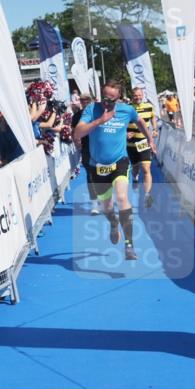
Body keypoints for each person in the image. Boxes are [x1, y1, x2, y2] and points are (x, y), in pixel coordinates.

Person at [74, 80, 156, 261]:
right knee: (108, 207)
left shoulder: (126, 110)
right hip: (98, 166)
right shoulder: (91, 110)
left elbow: (141, 121)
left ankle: (129, 245)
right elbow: (78, 133)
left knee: (121, 197)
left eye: (111, 98)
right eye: (104, 97)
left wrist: (149, 138)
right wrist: (99, 121)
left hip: (119, 161)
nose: (107, 101)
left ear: (118, 97)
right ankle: (113, 223)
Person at [127, 85, 158, 208]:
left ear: (143, 95)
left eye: (139, 95)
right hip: (131, 144)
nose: (138, 97)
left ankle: (147, 195)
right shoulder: (127, 108)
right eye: (135, 95)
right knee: (135, 168)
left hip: (144, 142)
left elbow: (152, 118)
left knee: (146, 168)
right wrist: (125, 132)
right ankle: (135, 178)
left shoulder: (149, 107)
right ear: (132, 96)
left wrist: (155, 129)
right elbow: (121, 122)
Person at [70, 93, 100, 215]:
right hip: (87, 148)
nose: (84, 102)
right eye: (82, 100)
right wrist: (76, 142)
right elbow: (73, 132)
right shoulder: (77, 115)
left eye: (87, 100)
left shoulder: (99, 112)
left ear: (92, 100)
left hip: (101, 148)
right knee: (91, 175)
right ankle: (94, 204)